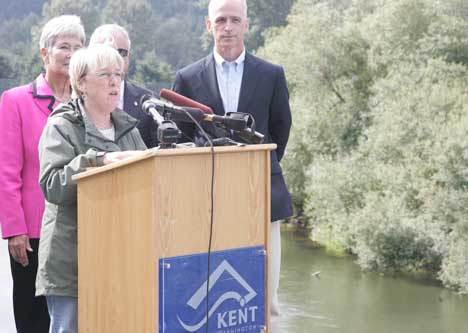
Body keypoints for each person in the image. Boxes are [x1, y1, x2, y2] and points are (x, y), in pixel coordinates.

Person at [172, 0, 292, 329]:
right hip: (205, 202)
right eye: (220, 20)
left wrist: (253, 173)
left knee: (266, 297)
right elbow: (180, 139)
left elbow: (281, 130)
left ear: (246, 25)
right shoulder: (187, 77)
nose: (228, 27)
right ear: (208, 26)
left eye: (234, 20)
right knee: (208, 292)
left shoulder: (271, 75)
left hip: (263, 199)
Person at [35, 44, 147, 332]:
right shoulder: (61, 126)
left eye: (119, 75)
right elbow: (53, 185)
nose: (114, 82)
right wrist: (98, 160)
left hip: (122, 260)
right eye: (105, 74)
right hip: (72, 262)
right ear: (81, 83)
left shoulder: (130, 130)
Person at [0, 15, 85, 333]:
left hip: (82, 230)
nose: (72, 53)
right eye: (64, 46)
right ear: (44, 53)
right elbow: (7, 172)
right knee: (34, 319)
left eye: (78, 46)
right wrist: (15, 230)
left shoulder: (86, 104)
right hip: (34, 234)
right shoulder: (15, 101)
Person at [89, 24, 158, 148]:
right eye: (106, 52)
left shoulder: (148, 102)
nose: (114, 58)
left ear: (128, 58)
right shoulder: (74, 106)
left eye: (121, 52)